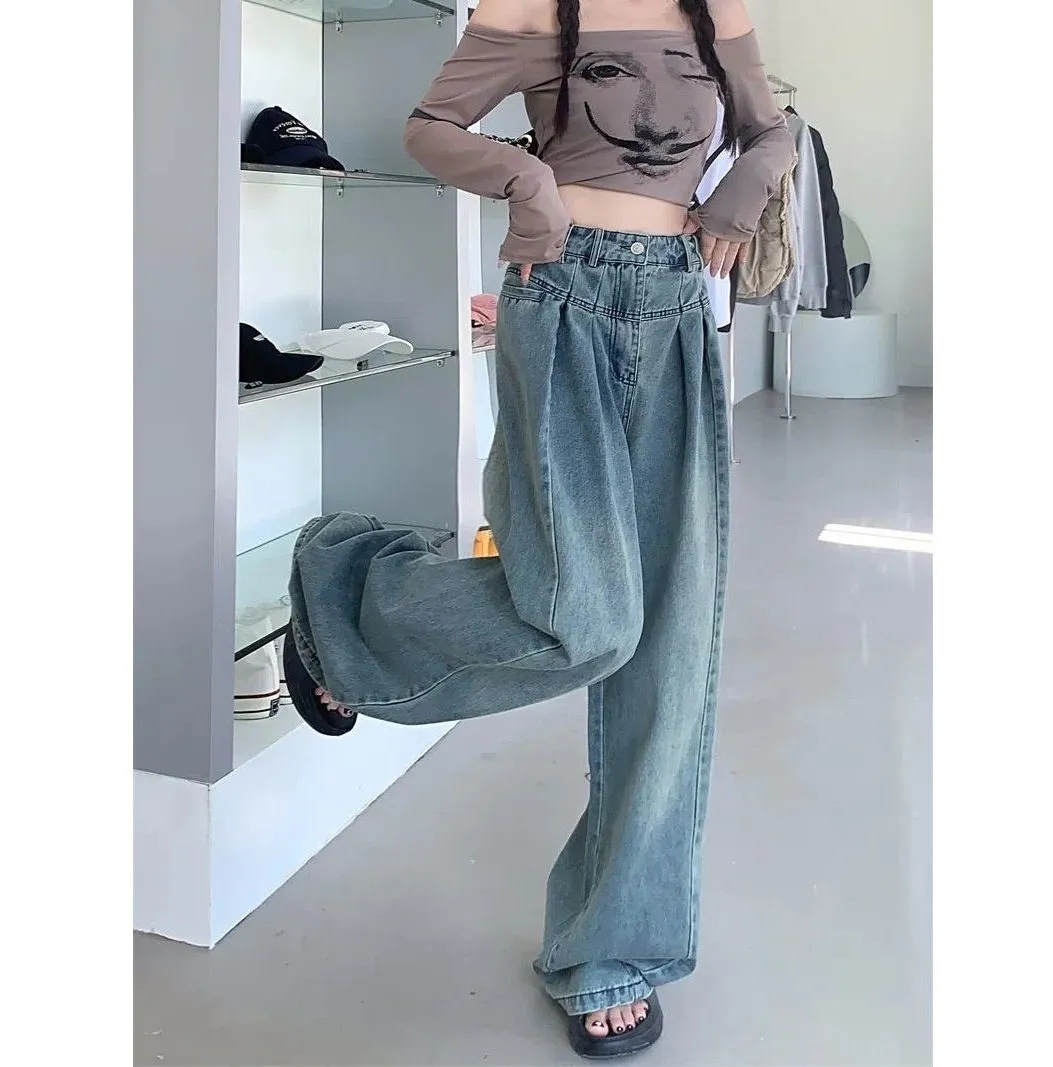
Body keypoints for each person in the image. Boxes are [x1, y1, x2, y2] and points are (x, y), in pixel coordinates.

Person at [283, 0, 794, 1057]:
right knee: (586, 615)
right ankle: (351, 592)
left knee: (671, 643)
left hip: (674, 306)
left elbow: (770, 131)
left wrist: (742, 191)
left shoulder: (715, 11)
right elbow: (429, 127)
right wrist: (527, 182)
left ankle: (614, 949)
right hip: (557, 295)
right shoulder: (530, 6)